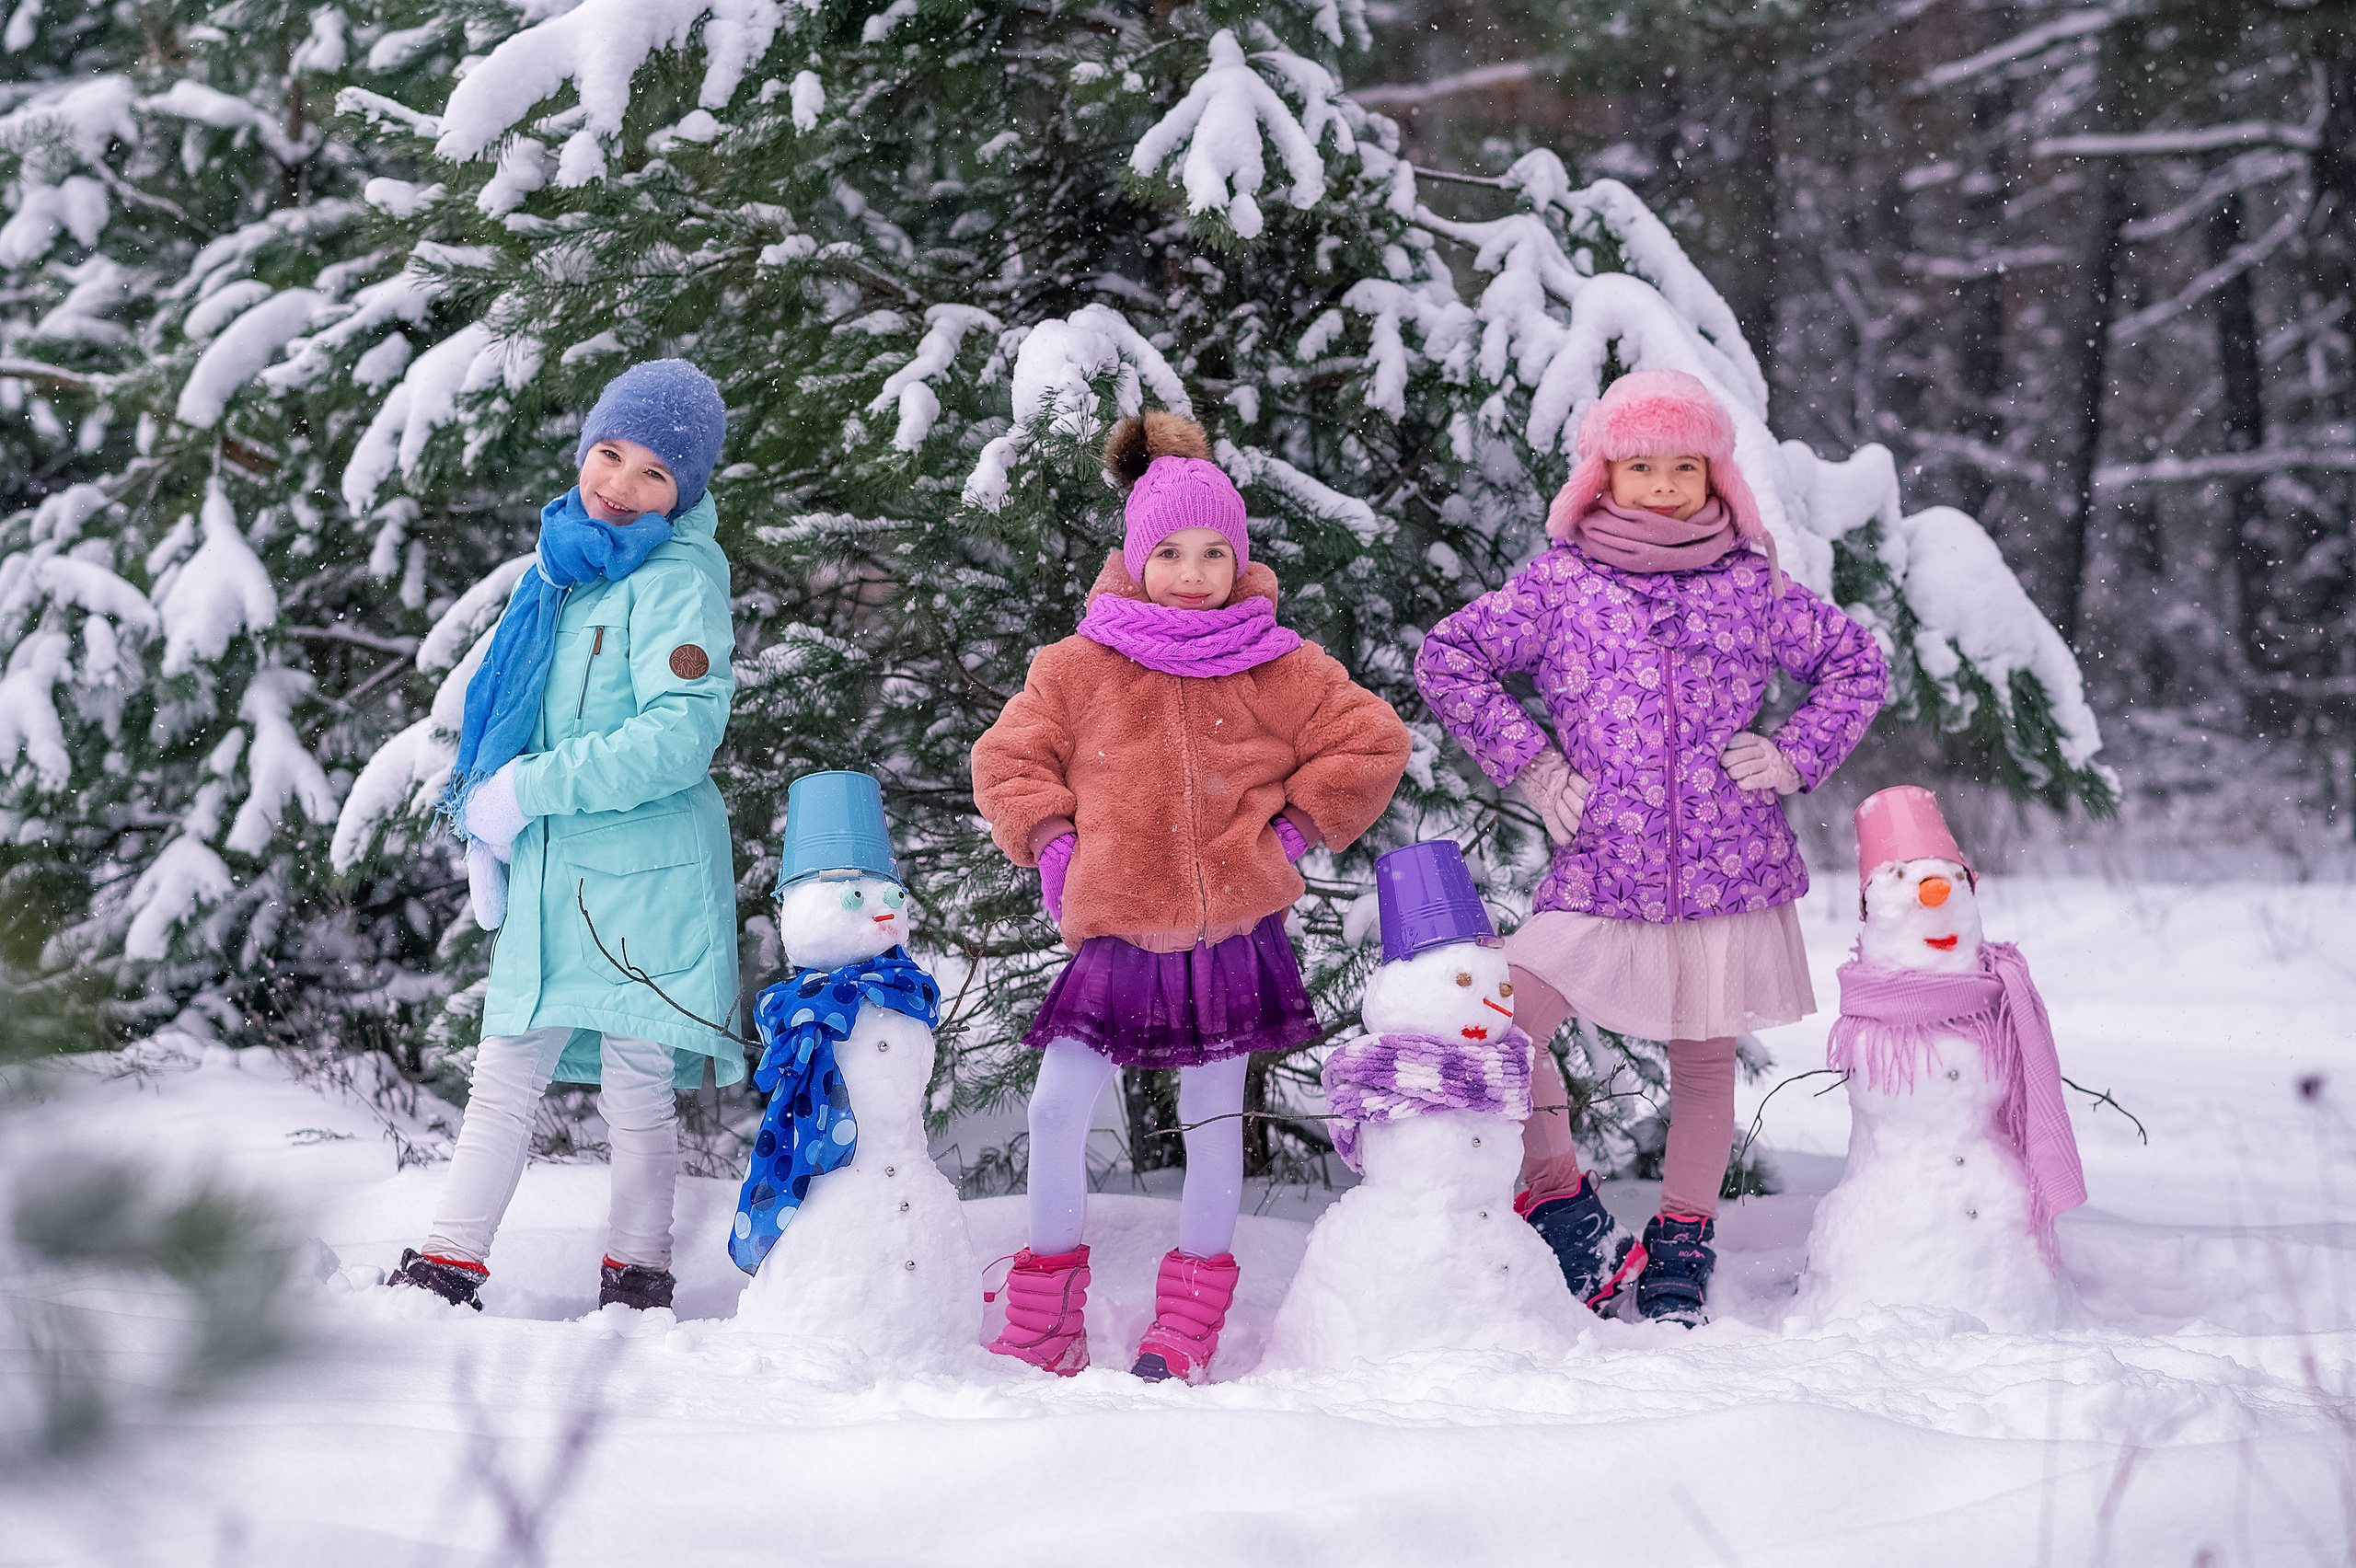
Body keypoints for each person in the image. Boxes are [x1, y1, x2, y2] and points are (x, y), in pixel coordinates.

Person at [1416, 368, 1888, 1326]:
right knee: (1501, 1021)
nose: (1666, 485)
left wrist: (1794, 754)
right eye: (1642, 466)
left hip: (1728, 870)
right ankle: (1557, 1198)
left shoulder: (1751, 585)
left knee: (1704, 1066)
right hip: (1600, 866)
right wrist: (1537, 769)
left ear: (1716, 473)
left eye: (1686, 465)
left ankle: (1683, 1239)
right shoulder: (1559, 584)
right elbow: (1448, 658)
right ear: (1604, 474)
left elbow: (1855, 664)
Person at [971, 409, 1410, 1382]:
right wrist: (1051, 847)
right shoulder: (1078, 664)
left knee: (1214, 1122)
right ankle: (1045, 1320)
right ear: (1135, 558)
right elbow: (1007, 757)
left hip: (1226, 939)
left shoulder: (1277, 662)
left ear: (1238, 558)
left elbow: (1373, 742)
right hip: (1116, 935)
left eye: (1215, 551)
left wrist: (1289, 832)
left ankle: (1186, 1327)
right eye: (1168, 551)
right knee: (1055, 1109)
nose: (1193, 571)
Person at [388, 359, 738, 1314]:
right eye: (610, 454)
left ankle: (637, 1280)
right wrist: (490, 824)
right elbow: (525, 714)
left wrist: (527, 792)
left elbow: (679, 736)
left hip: (641, 875)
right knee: (503, 1073)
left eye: (653, 474)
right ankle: (444, 1267)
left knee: (634, 1089)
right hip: (553, 866)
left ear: (687, 489)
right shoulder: (567, 569)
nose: (620, 485)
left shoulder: (675, 579)